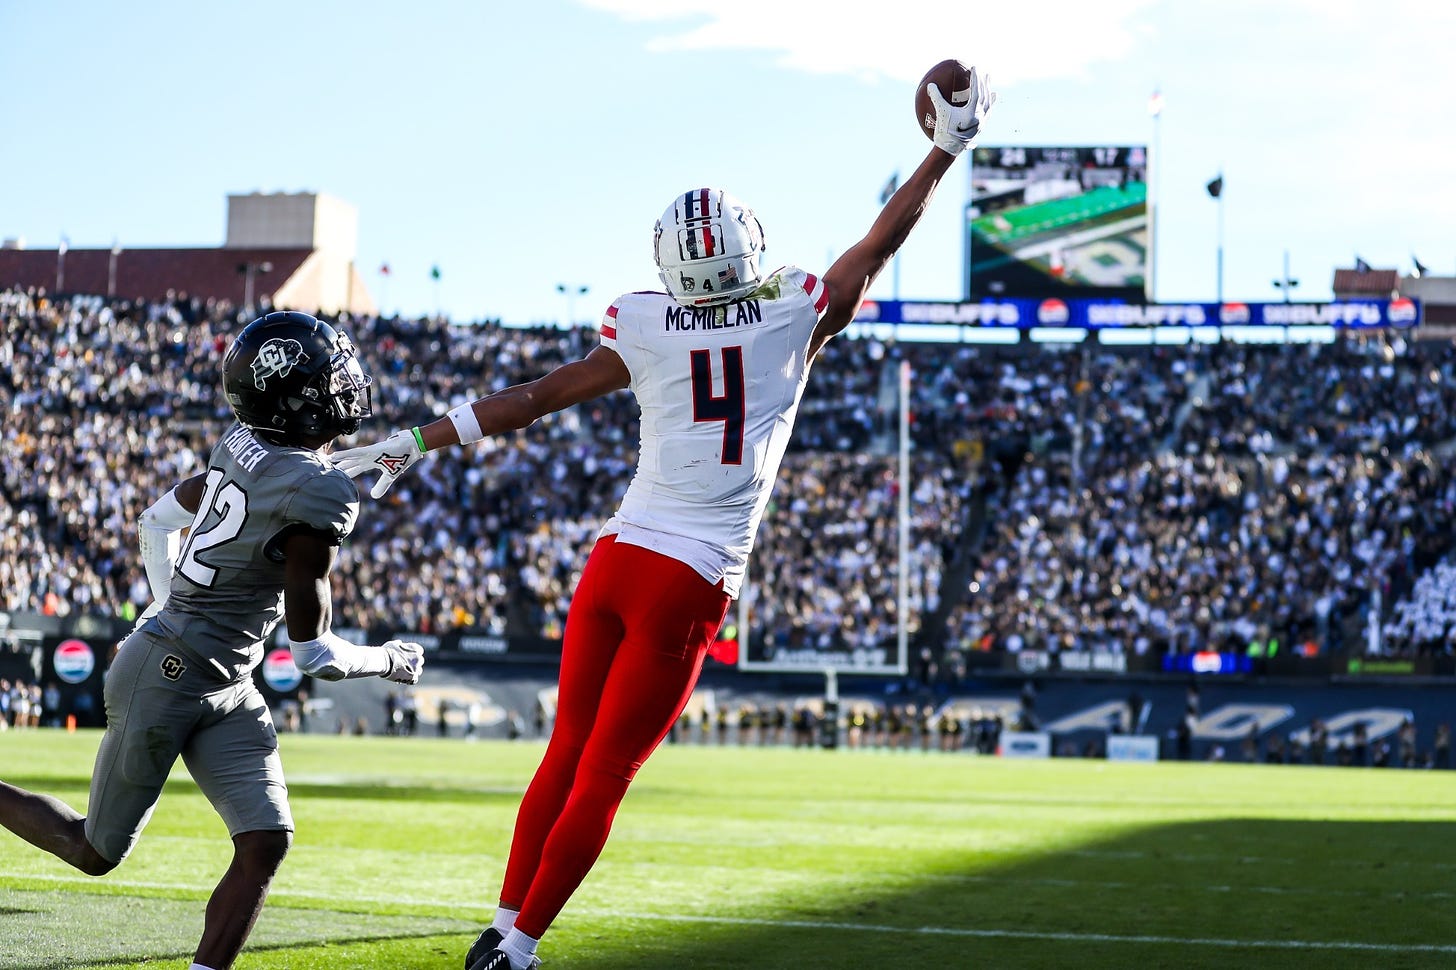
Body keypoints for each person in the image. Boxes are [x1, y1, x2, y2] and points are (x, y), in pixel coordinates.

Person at [335, 65, 996, 970]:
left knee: (564, 753)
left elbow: (536, 397)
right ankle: (519, 949)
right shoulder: (791, 312)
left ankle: (501, 923)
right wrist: (944, 152)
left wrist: (410, 439)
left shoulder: (644, 321)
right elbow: (876, 245)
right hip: (689, 580)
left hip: (616, 558)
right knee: (605, 771)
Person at [0, 311, 424, 970]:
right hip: (168, 676)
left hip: (223, 680)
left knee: (265, 840)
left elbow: (159, 518)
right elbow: (314, 654)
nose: (344, 386)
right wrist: (391, 659)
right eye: (328, 378)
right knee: (94, 852)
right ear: (296, 399)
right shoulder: (323, 492)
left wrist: (167, 604)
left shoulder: (239, 444)